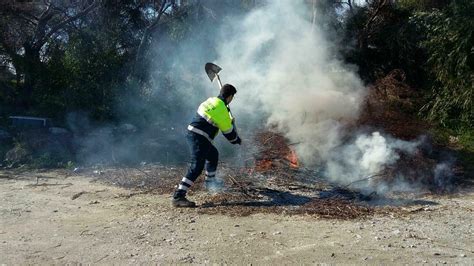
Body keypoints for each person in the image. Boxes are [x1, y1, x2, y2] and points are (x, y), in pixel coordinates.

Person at [172, 84, 241, 207]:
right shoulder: (222, 110)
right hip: (199, 137)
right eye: (232, 97)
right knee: (196, 166)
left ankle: (210, 183)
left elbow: (215, 117)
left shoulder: (211, 101)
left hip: (195, 134)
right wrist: (237, 139)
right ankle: (178, 196)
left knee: (213, 154)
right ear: (230, 97)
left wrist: (228, 121)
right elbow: (230, 136)